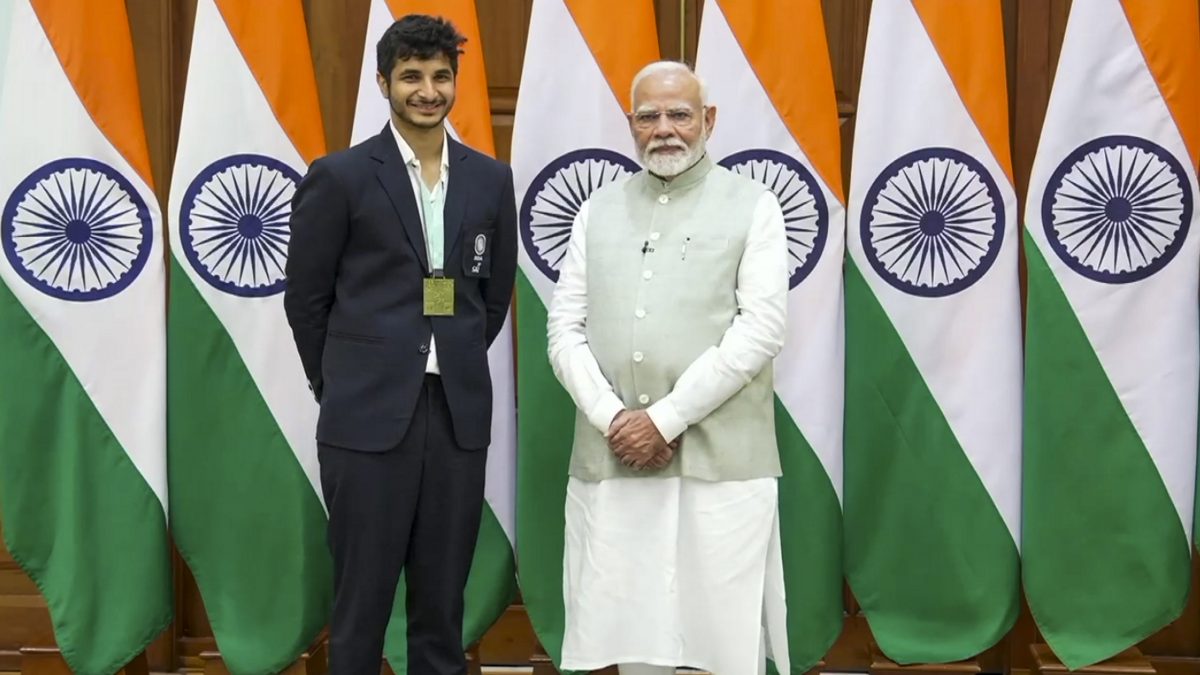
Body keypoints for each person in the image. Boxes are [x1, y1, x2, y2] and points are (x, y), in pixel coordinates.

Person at [284, 15, 516, 675]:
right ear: (383, 81)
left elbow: (490, 299)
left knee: (442, 605)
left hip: (457, 417)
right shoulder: (342, 175)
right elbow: (306, 299)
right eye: (412, 76)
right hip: (365, 419)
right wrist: (341, 383)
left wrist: (451, 353)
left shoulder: (490, 179)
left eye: (440, 76)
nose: (427, 89)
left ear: (455, 83)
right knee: (361, 604)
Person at [546, 60, 790, 675]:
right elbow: (563, 330)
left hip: (721, 461)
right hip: (616, 455)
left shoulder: (753, 206)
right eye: (648, 116)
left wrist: (667, 418)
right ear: (631, 125)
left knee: (720, 639)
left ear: (707, 120)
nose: (664, 129)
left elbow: (760, 329)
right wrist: (615, 420)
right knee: (631, 637)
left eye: (679, 114)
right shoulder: (597, 210)